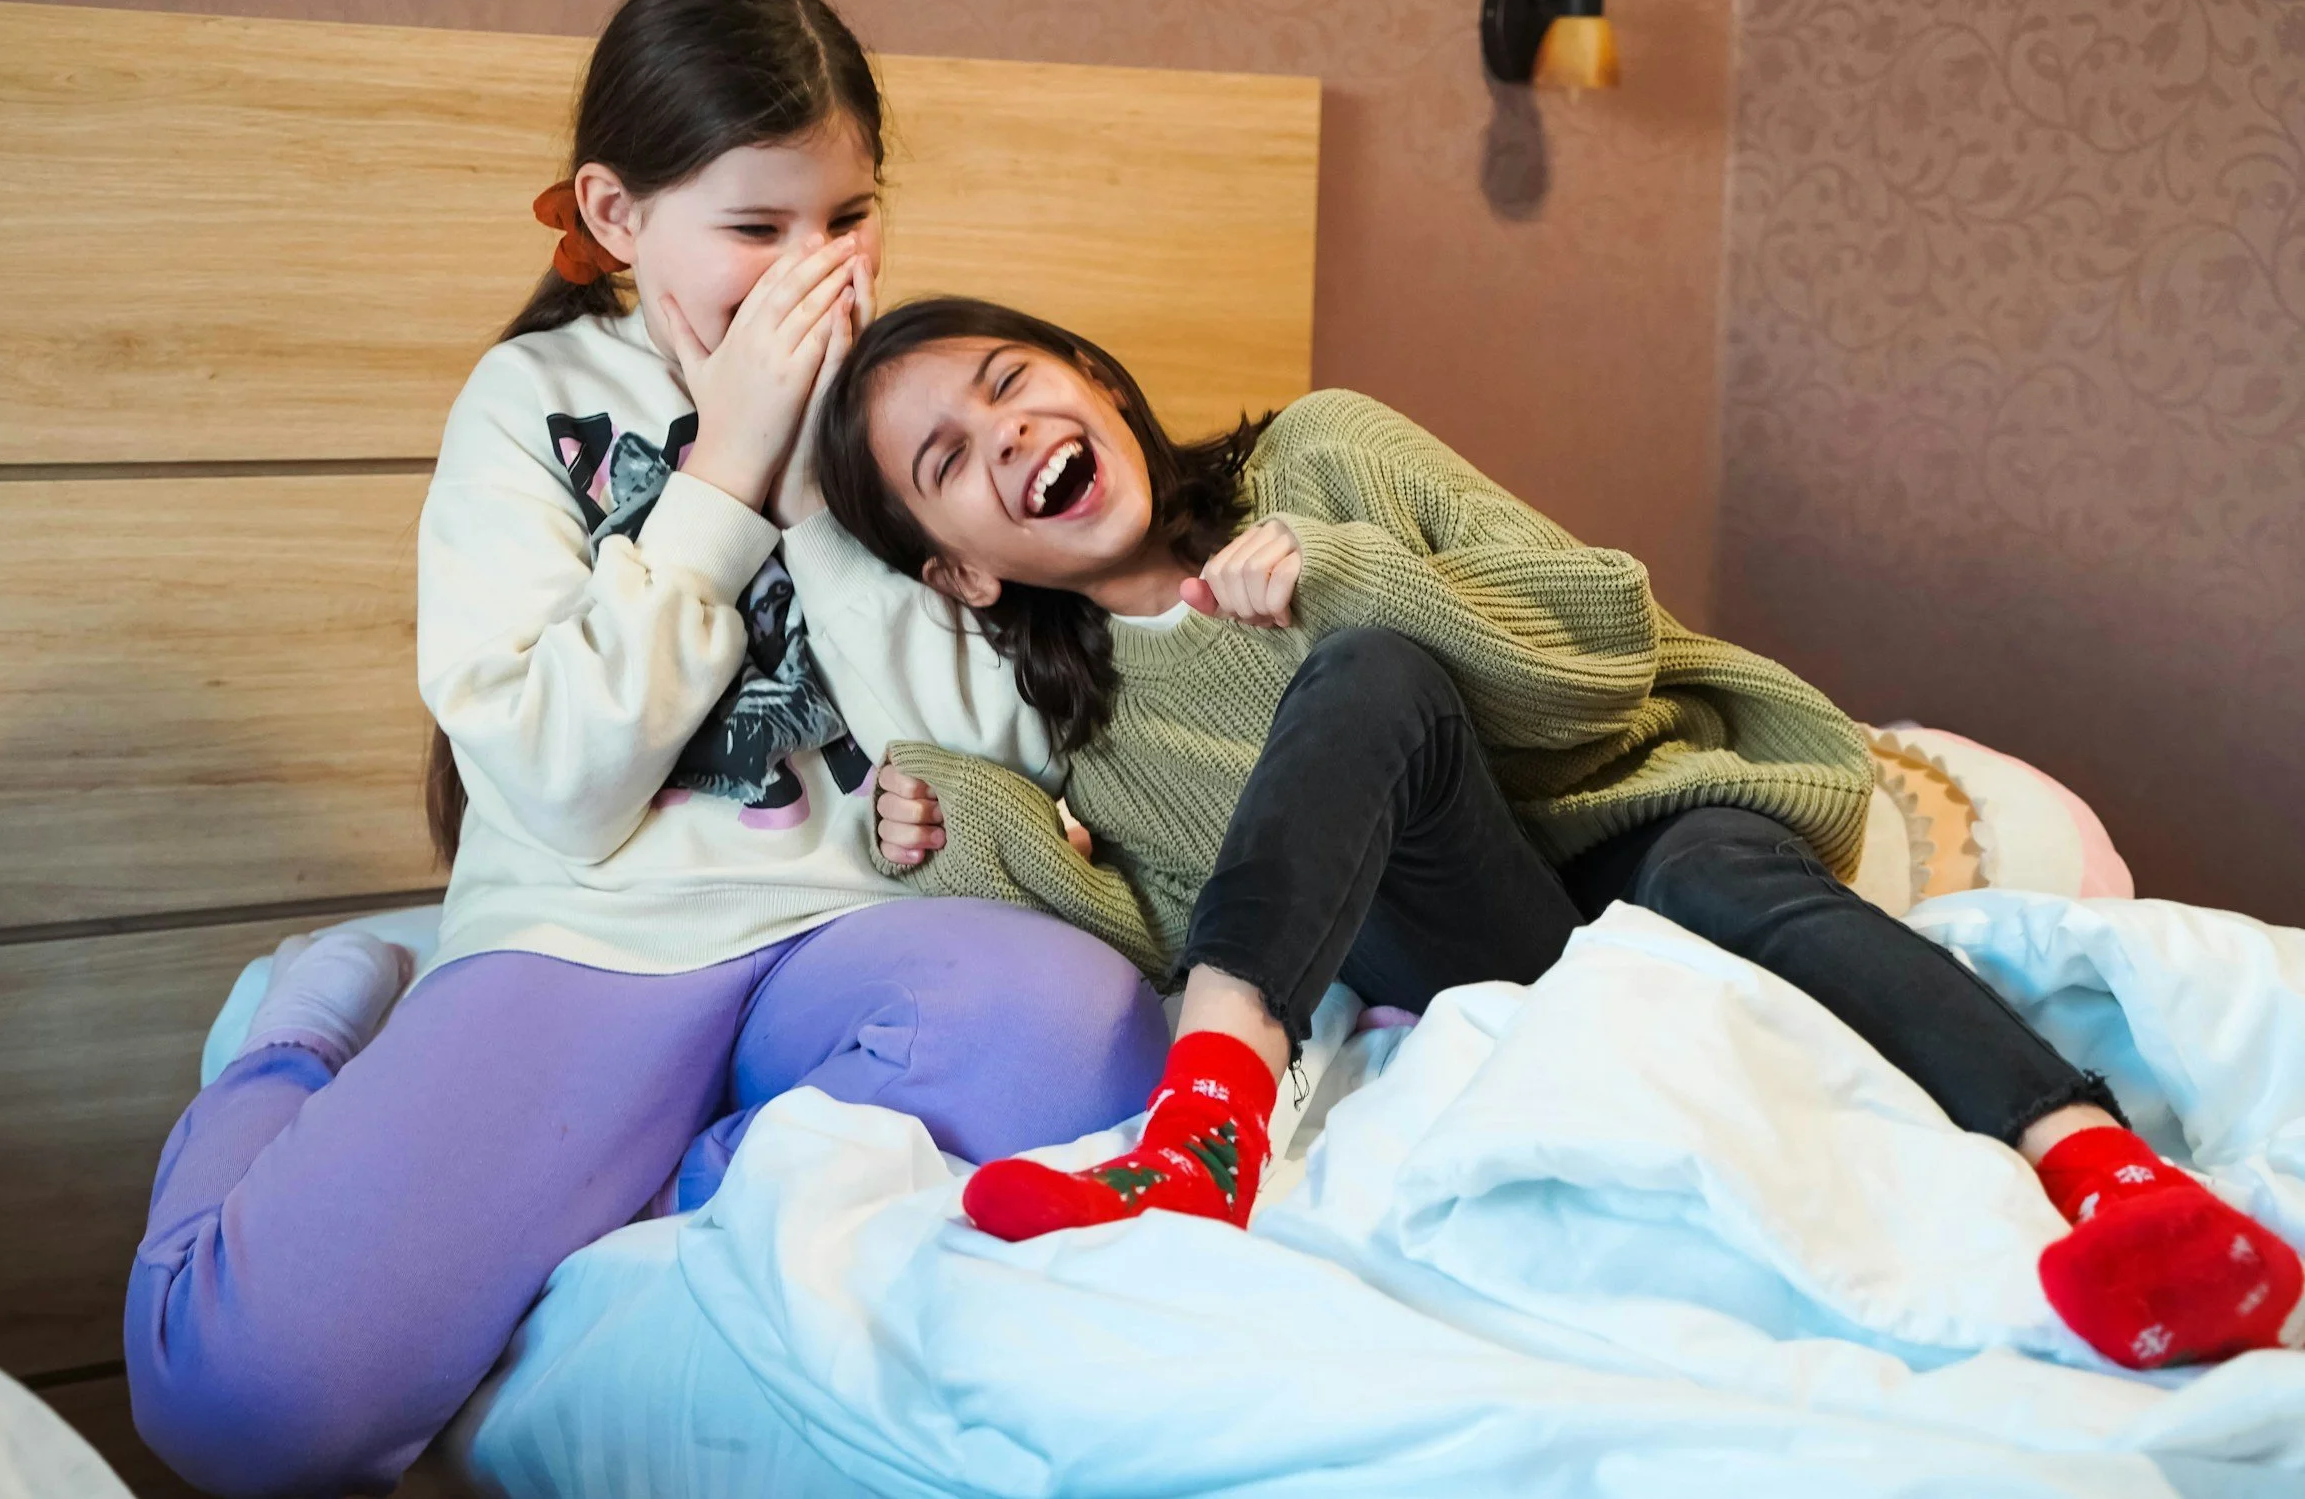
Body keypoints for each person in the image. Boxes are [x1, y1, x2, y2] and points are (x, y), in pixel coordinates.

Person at [807, 293, 2305, 1372]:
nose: (1008, 431)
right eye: (949, 459)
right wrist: (970, 816)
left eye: (1013, 380)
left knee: (1704, 858)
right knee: (1360, 708)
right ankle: (1202, 1141)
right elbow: (1185, 930)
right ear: (961, 574)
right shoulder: (1103, 740)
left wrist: (1342, 572)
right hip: (1482, 935)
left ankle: (2114, 1177)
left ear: (1090, 371)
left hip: (1628, 817)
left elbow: (1600, 650)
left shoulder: (1324, 458)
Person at [124, 0, 1168, 1498]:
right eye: (758, 230)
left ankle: (685, 1178)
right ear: (617, 213)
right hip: (598, 925)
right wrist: (730, 462)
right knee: (240, 1398)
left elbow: (987, 743)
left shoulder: (901, 413)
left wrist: (818, 488)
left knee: (1086, 1027)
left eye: (848, 218)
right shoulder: (528, 402)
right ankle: (303, 1033)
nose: (816, 272)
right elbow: (559, 779)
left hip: (845, 928)